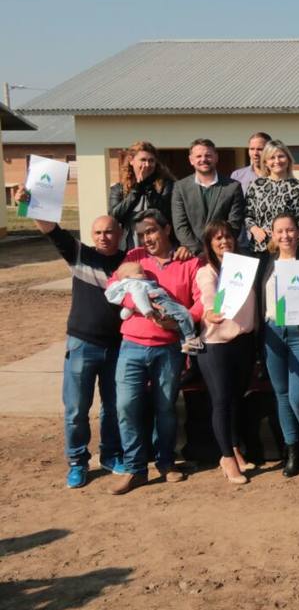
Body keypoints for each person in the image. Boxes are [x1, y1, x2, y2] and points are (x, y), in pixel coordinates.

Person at [17, 188, 125, 488]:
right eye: (98, 232)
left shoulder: (129, 264)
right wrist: (30, 205)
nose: (103, 236)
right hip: (82, 345)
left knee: (114, 408)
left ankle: (111, 455)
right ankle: (77, 462)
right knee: (77, 409)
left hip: (117, 347)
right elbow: (51, 229)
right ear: (92, 234)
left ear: (120, 234)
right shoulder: (80, 255)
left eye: (109, 232)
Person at [107, 209, 202, 495]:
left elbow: (200, 302)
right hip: (132, 345)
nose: (146, 238)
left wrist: (178, 321)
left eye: (151, 231)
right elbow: (114, 287)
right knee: (126, 406)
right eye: (142, 234)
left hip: (169, 348)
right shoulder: (134, 258)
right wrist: (139, 306)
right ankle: (135, 469)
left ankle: (166, 463)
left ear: (167, 229)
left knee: (165, 408)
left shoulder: (189, 262)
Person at [256, 212, 299, 477]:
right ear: (272, 235)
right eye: (279, 231)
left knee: (298, 396)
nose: (285, 235)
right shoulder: (265, 262)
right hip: (272, 333)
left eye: (290, 230)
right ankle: (292, 450)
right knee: (282, 395)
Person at [195, 220, 258, 485]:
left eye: (228, 237)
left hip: (243, 341)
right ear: (209, 244)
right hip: (216, 344)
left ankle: (233, 447)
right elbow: (209, 297)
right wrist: (211, 310)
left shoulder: (245, 267)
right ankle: (226, 458)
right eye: (217, 238)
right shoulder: (207, 271)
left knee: (235, 398)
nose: (224, 242)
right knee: (221, 400)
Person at [105, 262, 203, 354]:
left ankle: (185, 343)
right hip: (159, 301)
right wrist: (146, 310)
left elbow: (132, 298)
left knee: (178, 321)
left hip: (168, 341)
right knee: (183, 313)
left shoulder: (127, 283)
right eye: (140, 273)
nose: (145, 274)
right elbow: (138, 295)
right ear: (127, 277)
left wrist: (130, 308)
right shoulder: (136, 281)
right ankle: (191, 340)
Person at [171, 138, 245, 256]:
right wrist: (199, 251)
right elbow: (180, 226)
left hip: (224, 253)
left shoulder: (233, 187)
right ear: (191, 160)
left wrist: (216, 248)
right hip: (193, 255)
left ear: (216, 157)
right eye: (199, 156)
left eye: (208, 155)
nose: (203, 159)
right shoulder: (180, 188)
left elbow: (234, 225)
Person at [243, 141, 299, 253]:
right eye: (272, 158)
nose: (277, 161)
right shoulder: (255, 186)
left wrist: (285, 233)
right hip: (261, 248)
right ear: (265, 162)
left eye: (281, 156)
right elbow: (247, 214)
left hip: (289, 247)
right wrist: (255, 230)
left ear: (288, 159)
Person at [108, 141, 175, 252]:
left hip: (159, 246)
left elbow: (166, 213)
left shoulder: (166, 185)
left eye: (151, 161)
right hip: (130, 246)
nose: (147, 165)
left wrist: (148, 187)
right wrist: (136, 190)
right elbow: (115, 216)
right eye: (143, 160)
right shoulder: (119, 188)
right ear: (131, 161)